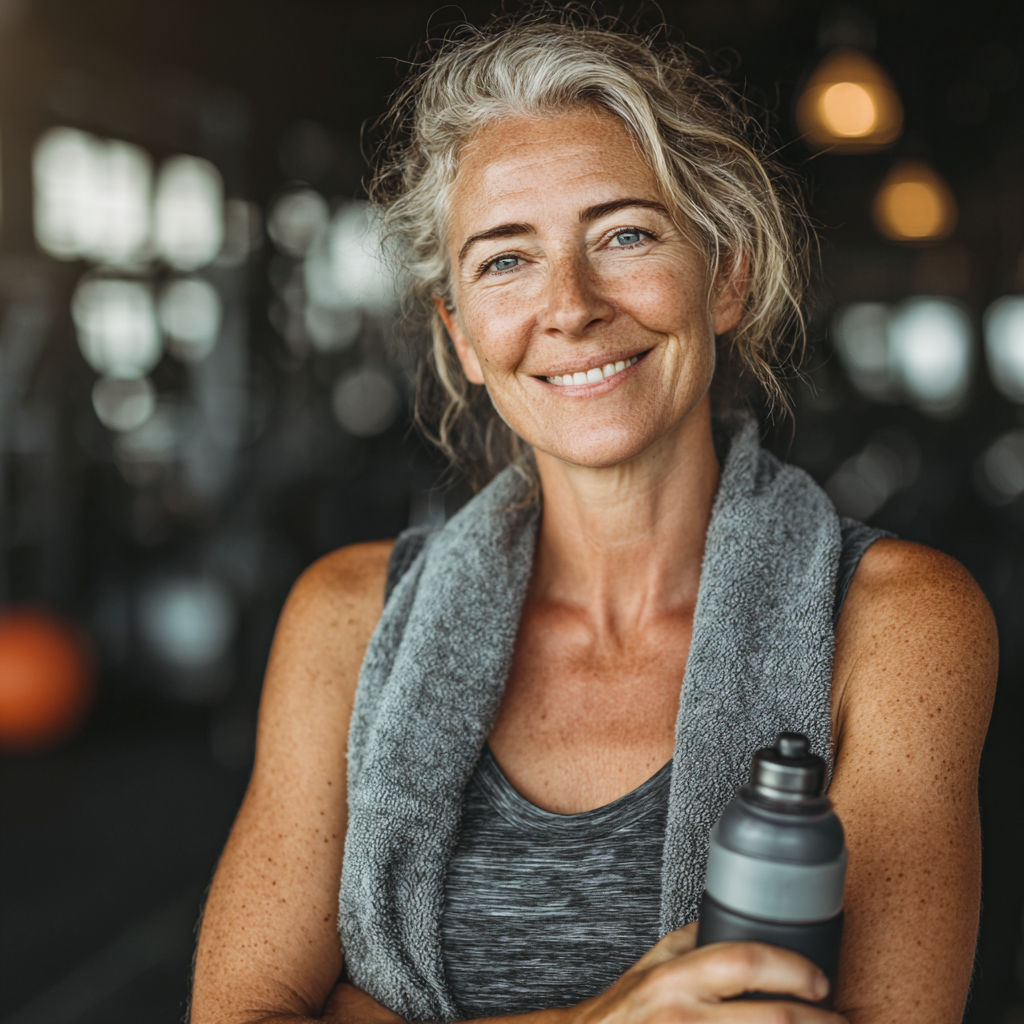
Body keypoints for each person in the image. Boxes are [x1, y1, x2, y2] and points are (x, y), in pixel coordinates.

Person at [189, 12, 997, 1024]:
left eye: (623, 234)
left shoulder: (898, 623)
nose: (569, 305)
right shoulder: (344, 620)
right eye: (503, 260)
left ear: (727, 272)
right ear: (464, 337)